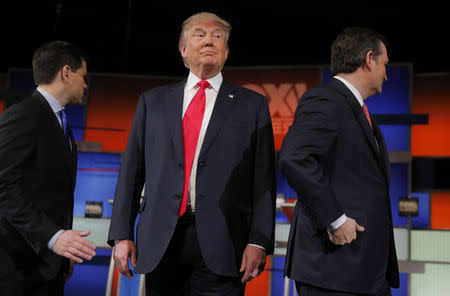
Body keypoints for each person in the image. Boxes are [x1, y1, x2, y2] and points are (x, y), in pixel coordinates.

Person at [107, 12, 276, 296]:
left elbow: (263, 180)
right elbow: (132, 172)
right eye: (200, 34)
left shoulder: (252, 105)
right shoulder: (153, 102)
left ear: (226, 51)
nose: (209, 40)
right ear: (183, 49)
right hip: (162, 240)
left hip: (225, 243)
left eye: (218, 36)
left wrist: (259, 241)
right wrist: (122, 234)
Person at [278, 27, 400, 296]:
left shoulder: (358, 111)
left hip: (366, 272)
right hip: (333, 270)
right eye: (385, 64)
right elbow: (294, 157)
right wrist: (335, 219)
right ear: (369, 59)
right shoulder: (325, 100)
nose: (387, 74)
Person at [0, 41, 97, 296]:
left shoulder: (59, 121)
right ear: (66, 73)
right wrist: (54, 237)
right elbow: (2, 188)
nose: (85, 85)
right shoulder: (23, 115)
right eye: (83, 76)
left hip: (48, 265)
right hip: (17, 268)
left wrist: (61, 256)